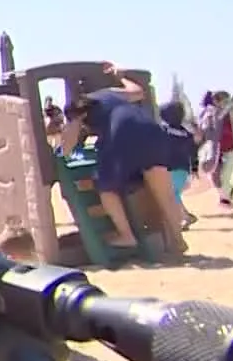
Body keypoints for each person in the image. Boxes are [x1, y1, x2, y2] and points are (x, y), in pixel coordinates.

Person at [61, 80, 189, 258]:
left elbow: (70, 136)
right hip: (152, 131)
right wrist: (120, 75)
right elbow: (138, 92)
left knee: (106, 188)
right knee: (166, 195)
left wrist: (62, 154)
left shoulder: (76, 110)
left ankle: (126, 236)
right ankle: (178, 241)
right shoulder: (110, 94)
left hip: (123, 134)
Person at [157, 101, 199, 229]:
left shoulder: (164, 131)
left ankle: (185, 217)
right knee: (174, 194)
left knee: (171, 194)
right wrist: (195, 168)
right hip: (183, 168)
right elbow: (193, 152)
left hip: (170, 168)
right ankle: (184, 217)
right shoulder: (186, 133)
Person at [197, 90, 233, 207]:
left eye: (226, 101)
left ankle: (226, 197)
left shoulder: (231, 112)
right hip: (215, 149)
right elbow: (204, 130)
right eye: (222, 101)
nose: (224, 103)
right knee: (214, 175)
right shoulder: (210, 114)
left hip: (230, 148)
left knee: (225, 176)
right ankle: (225, 196)